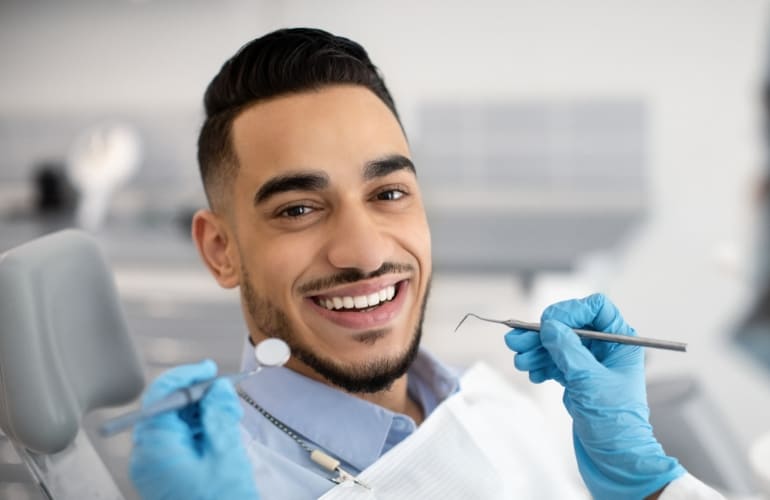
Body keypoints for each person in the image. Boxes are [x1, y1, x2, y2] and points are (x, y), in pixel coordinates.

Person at [129, 28, 724, 500]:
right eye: (300, 208)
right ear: (220, 250)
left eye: (388, 193)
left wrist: (647, 489)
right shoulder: (220, 485)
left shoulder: (499, 413)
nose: (365, 254)